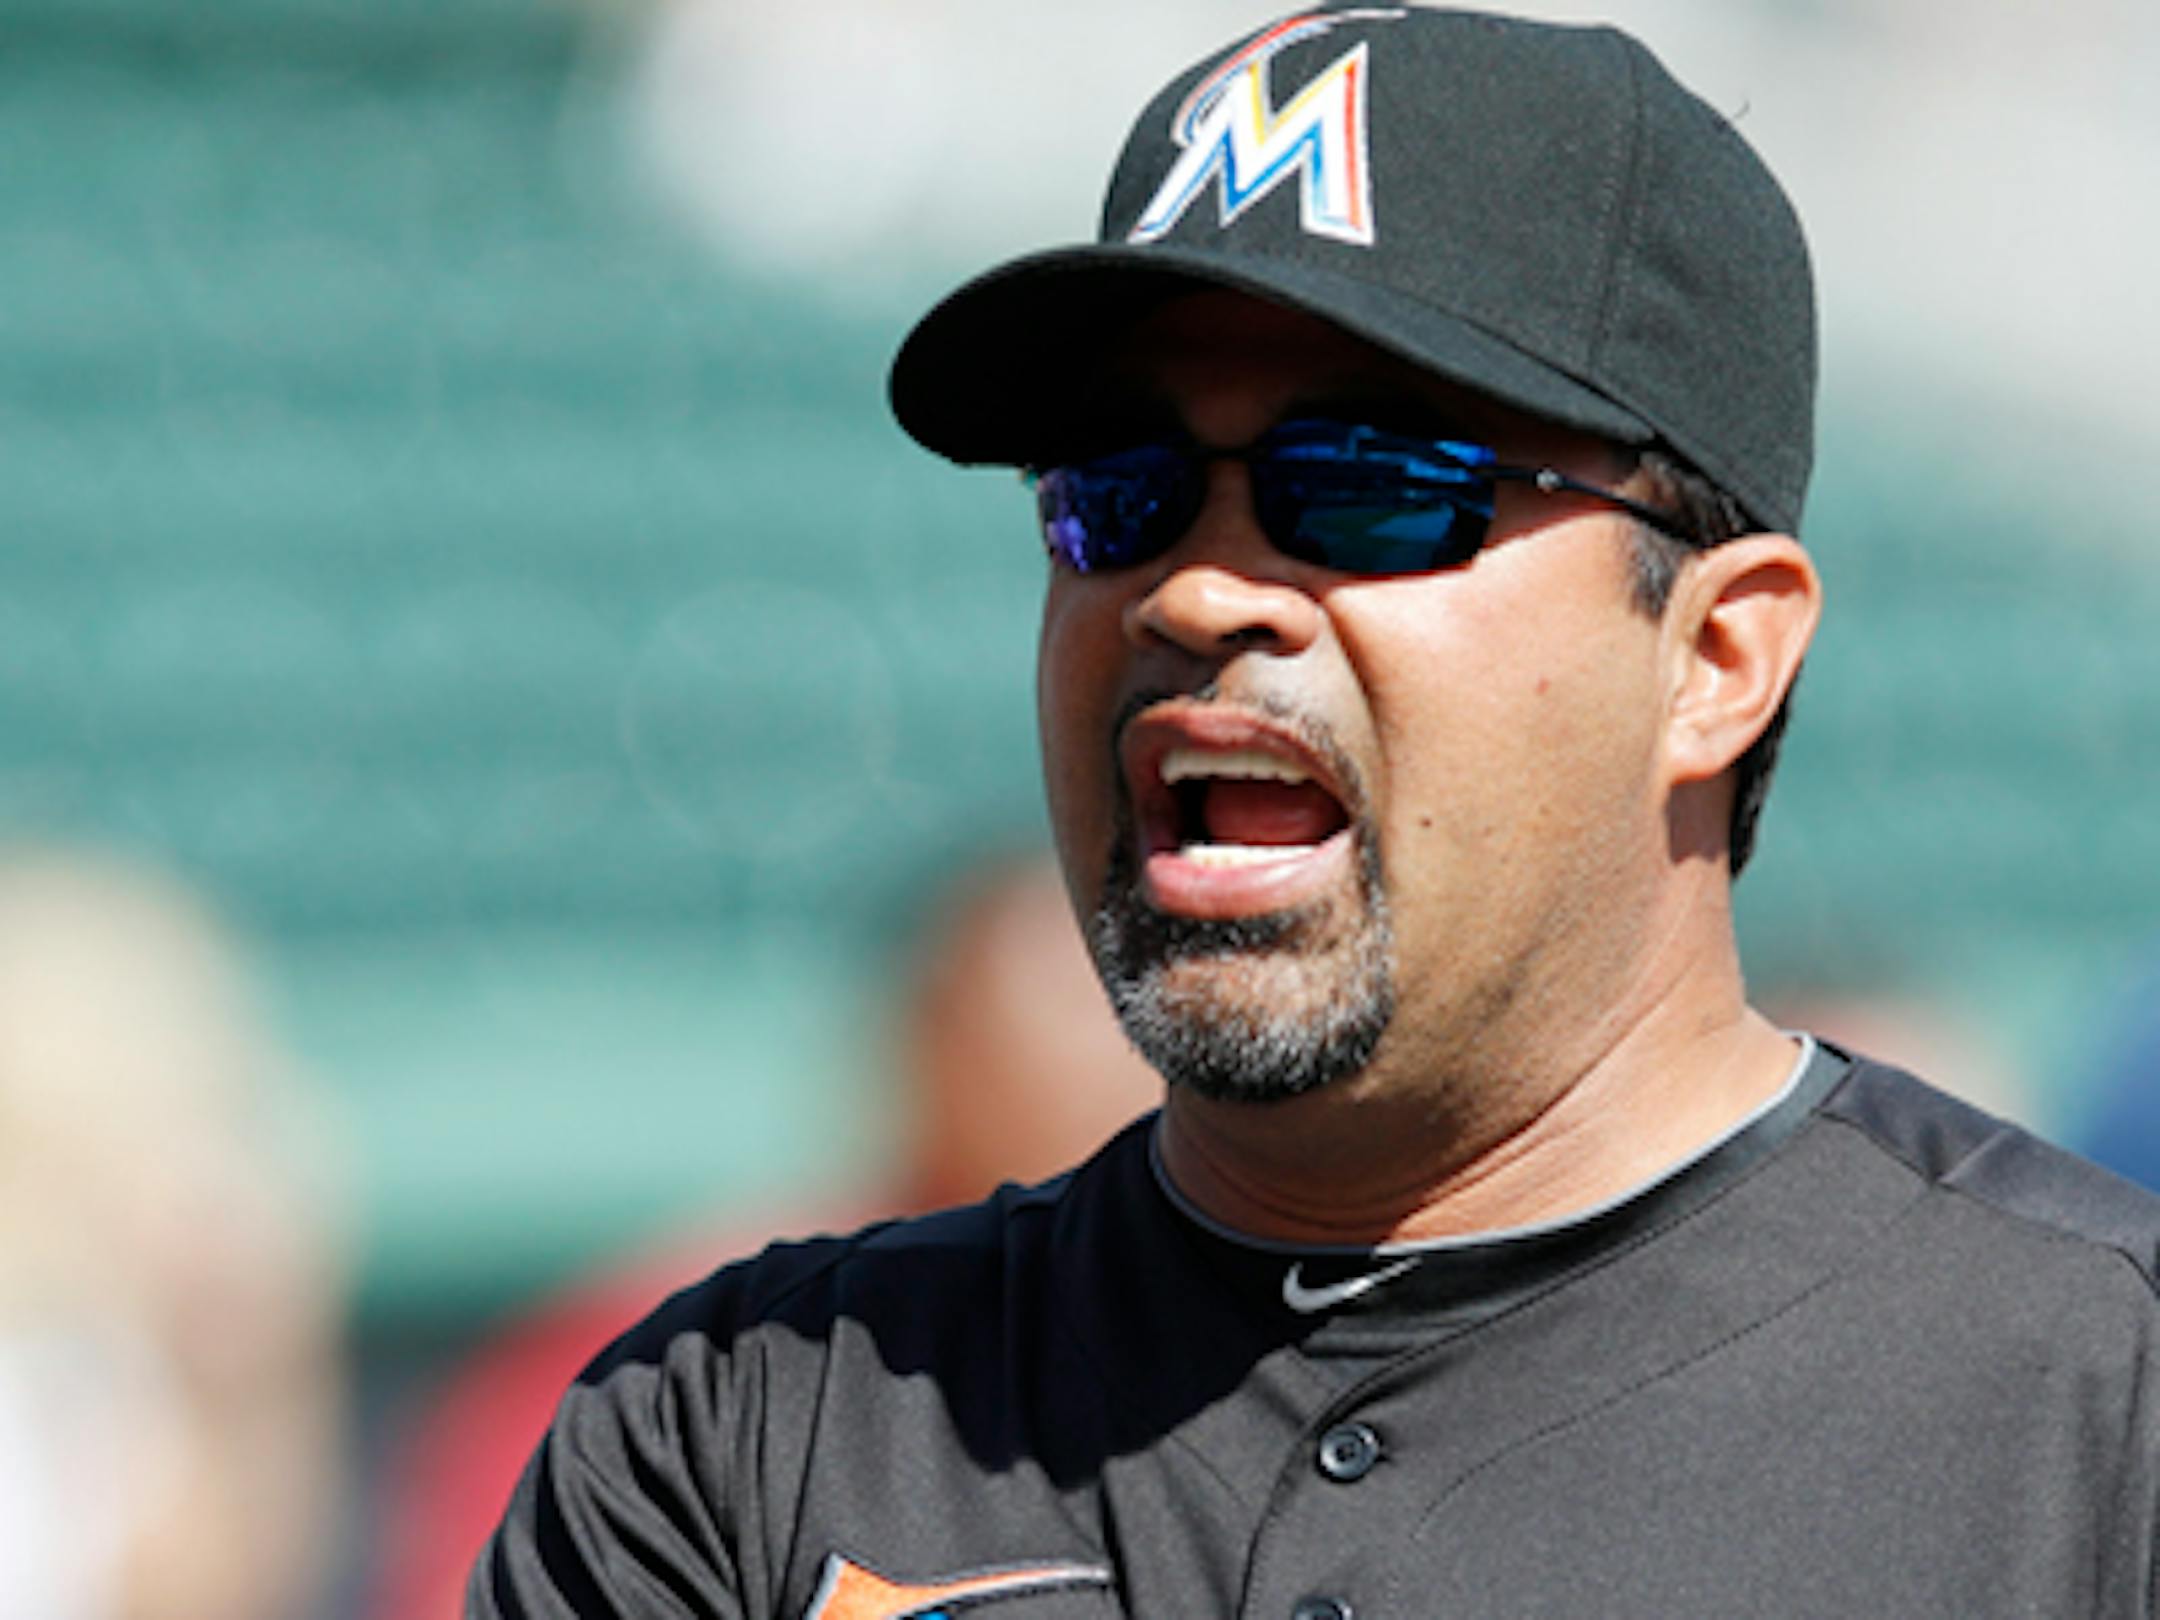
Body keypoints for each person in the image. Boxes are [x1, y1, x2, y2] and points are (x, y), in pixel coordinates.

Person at [472, 8, 2160, 1616]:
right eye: (1117, 494)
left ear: (1715, 656)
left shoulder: (2106, 1414)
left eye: (1364, 486)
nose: (1198, 594)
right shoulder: (740, 1444)